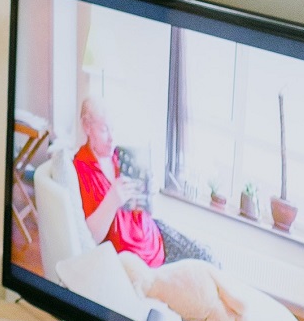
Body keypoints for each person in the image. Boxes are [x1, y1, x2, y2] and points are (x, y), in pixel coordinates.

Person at [73, 97, 212, 267]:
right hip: (133, 259)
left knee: (206, 257)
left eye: (114, 129)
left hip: (152, 238)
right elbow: (90, 238)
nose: (112, 138)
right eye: (104, 130)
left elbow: (144, 210)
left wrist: (146, 192)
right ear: (86, 127)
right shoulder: (81, 169)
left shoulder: (121, 156)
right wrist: (112, 201)